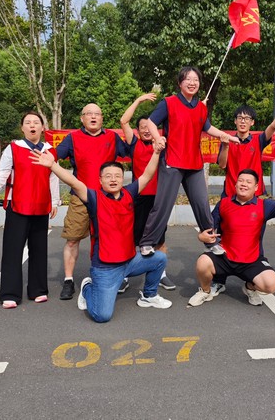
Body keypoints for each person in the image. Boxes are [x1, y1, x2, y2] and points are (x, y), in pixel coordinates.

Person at [30, 138, 172, 323]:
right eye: (108, 176)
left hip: (129, 262)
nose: (113, 179)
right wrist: (53, 165)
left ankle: (149, 295)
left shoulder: (129, 193)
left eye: (117, 176)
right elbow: (74, 182)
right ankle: (87, 288)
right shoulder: (94, 198)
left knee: (159, 258)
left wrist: (156, 152)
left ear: (123, 179)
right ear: (100, 180)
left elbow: (147, 175)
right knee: (102, 315)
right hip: (105, 268)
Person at [138, 66, 240, 257]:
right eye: (188, 79)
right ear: (180, 83)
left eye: (196, 80)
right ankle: (147, 242)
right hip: (172, 161)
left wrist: (226, 136)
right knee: (163, 205)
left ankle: (211, 241)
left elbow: (208, 128)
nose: (192, 83)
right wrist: (157, 138)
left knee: (202, 204)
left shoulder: (201, 107)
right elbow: (151, 122)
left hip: (194, 163)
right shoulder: (168, 102)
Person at [188, 169, 275, 307]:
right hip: (224, 257)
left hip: (251, 260)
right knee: (202, 262)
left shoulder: (264, 205)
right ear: (235, 184)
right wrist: (201, 236)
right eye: (240, 181)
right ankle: (205, 291)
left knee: (271, 284)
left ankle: (249, 287)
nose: (244, 184)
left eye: (248, 182)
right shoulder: (224, 203)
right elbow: (208, 231)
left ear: (256, 187)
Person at [55, 103, 132, 300]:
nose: (93, 117)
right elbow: (53, 156)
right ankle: (69, 280)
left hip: (107, 199)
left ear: (102, 118)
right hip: (81, 198)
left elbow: (131, 151)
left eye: (97, 114)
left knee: (111, 239)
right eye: (89, 114)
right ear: (82, 118)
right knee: (73, 238)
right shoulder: (72, 138)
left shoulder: (112, 137)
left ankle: (115, 275)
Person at [0, 112, 60, 309]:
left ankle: (38, 290)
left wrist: (55, 202)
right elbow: (3, 172)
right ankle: (10, 293)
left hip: (41, 205)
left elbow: (53, 177)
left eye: (36, 122)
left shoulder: (50, 151)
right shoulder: (14, 148)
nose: (32, 125)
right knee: (13, 250)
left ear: (43, 128)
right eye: (28, 122)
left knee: (39, 249)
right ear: (22, 128)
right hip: (17, 204)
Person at [119, 93, 175, 292]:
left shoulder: (162, 145)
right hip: (138, 198)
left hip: (159, 198)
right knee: (132, 239)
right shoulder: (134, 143)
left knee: (160, 240)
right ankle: (125, 275)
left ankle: (161, 274)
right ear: (138, 130)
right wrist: (138, 100)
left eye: (148, 127)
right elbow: (123, 121)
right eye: (142, 127)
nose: (146, 130)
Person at [217, 86, 275, 198]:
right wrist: (225, 146)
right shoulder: (227, 141)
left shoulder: (258, 140)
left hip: (254, 194)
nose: (243, 121)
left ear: (252, 122)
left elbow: (273, 126)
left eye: (247, 118)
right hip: (231, 193)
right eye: (240, 118)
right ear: (235, 121)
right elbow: (222, 165)